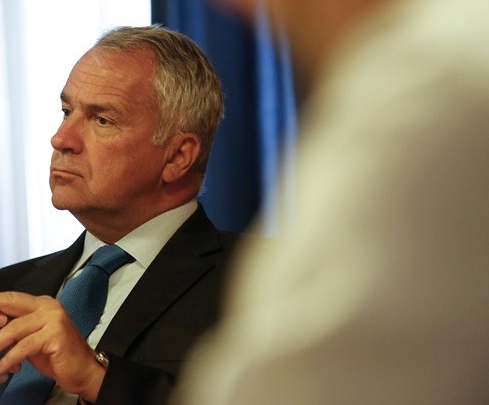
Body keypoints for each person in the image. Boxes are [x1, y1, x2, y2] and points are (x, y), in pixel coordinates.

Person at [173, 0, 489, 403]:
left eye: (105, 119)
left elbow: (293, 391)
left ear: (180, 153)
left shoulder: (427, 78)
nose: (235, 8)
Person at [0, 25, 240, 405]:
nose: (61, 139)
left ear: (177, 156)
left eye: (102, 120)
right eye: (66, 111)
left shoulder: (257, 282)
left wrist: (95, 376)